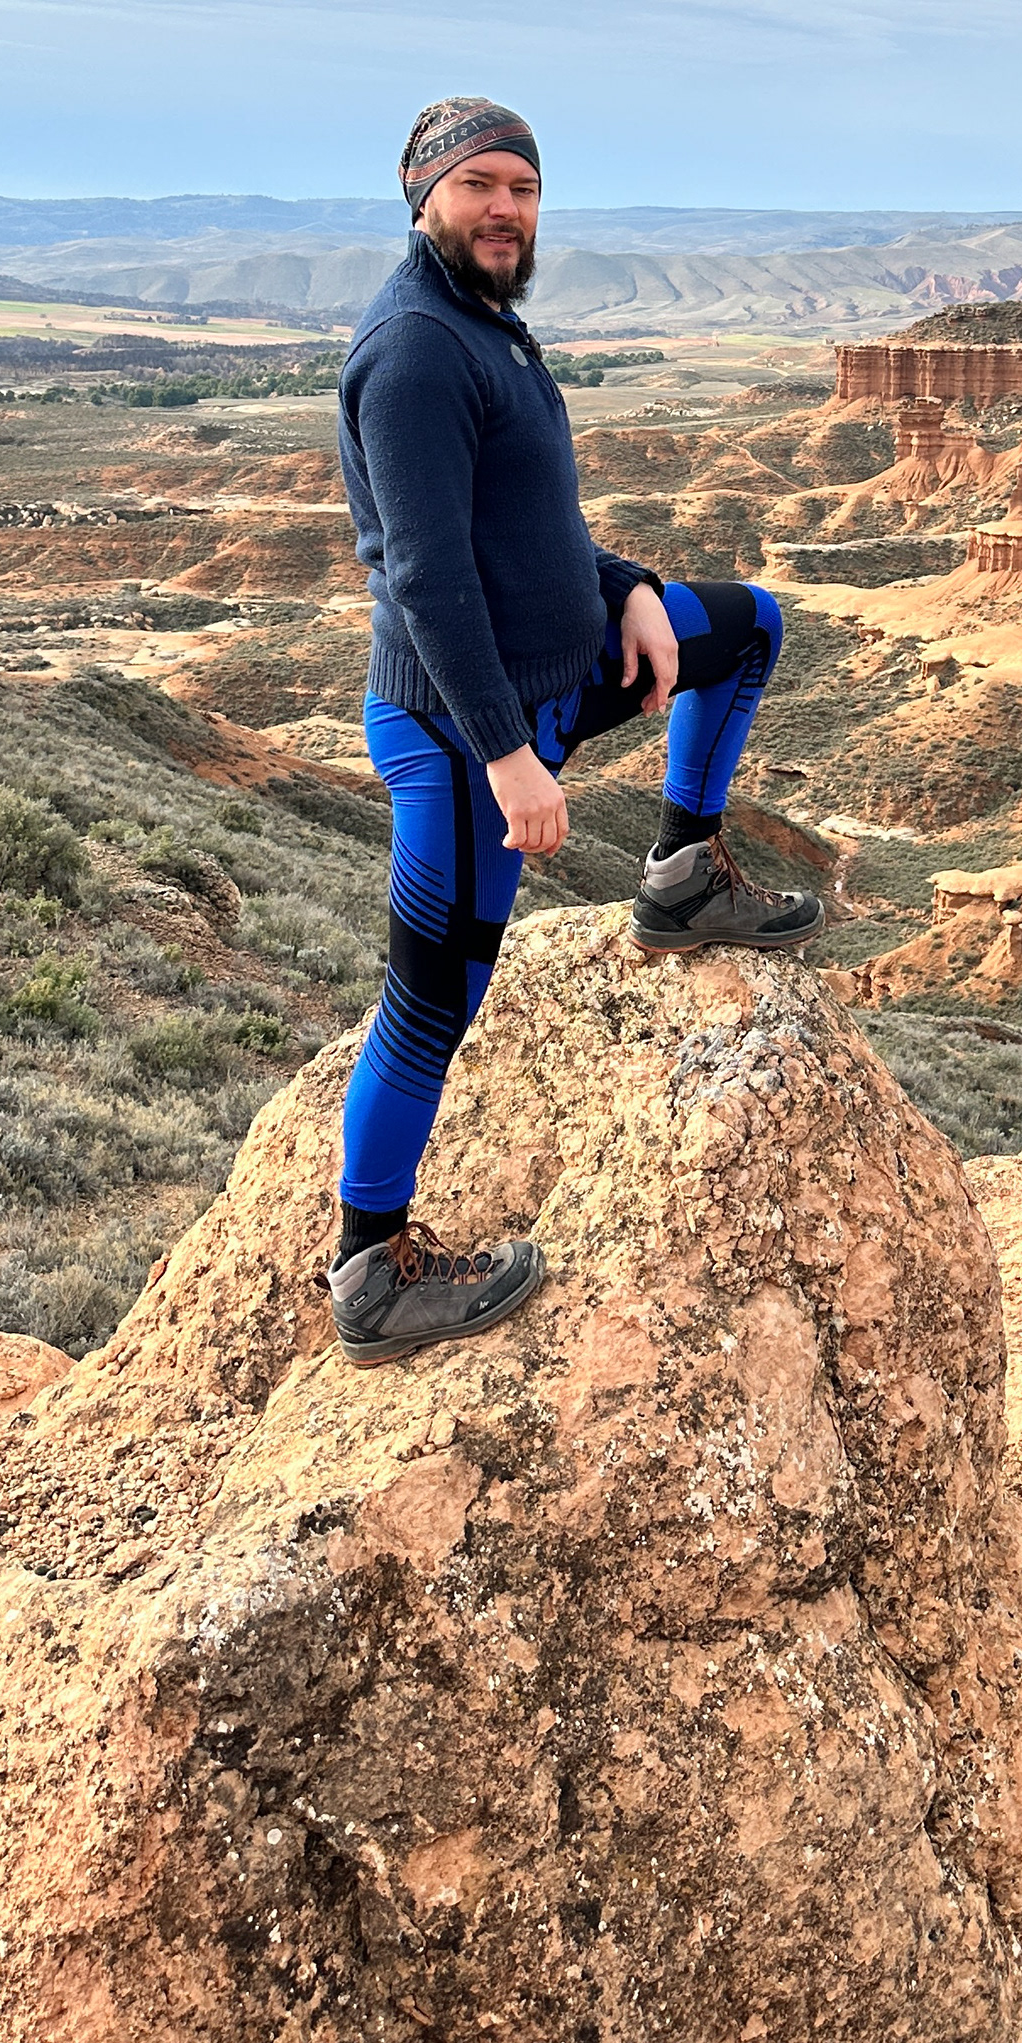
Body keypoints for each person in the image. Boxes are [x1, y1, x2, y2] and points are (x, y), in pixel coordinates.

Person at [327, 92, 823, 1366]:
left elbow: (530, 526)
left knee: (744, 628)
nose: (505, 209)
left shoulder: (487, 320)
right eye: (479, 185)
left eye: (524, 187)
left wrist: (633, 587)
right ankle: (371, 1269)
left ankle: (683, 875)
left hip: (558, 673)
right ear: (422, 194)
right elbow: (427, 576)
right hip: (460, 728)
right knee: (431, 1002)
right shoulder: (416, 347)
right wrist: (509, 759)